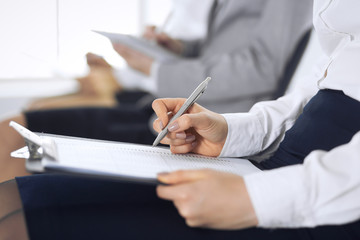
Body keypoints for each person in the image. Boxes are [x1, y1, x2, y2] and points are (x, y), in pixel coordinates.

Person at [0, 0, 360, 239]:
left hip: (324, 200)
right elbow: (320, 84)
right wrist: (233, 132)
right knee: (15, 196)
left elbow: (263, 69)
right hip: (282, 164)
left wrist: (256, 199)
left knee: (31, 218)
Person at [0, 0, 312, 182]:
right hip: (164, 108)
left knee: (19, 141)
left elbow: (263, 68)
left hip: (204, 123)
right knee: (13, 132)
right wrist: (174, 48)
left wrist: (155, 69)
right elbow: (225, 48)